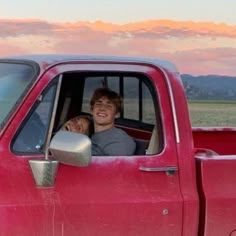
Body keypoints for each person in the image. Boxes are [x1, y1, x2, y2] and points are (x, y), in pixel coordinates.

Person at [90, 87, 136, 156]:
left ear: (117, 114)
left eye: (109, 106)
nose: (102, 108)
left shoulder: (119, 141)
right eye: (98, 104)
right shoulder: (89, 134)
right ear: (91, 110)